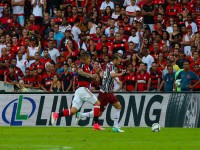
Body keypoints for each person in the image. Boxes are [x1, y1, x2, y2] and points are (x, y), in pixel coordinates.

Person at [51, 52, 103, 130]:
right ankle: (96, 124)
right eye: (89, 59)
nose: (90, 60)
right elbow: (79, 72)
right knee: (97, 103)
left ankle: (56, 114)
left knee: (73, 110)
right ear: (85, 59)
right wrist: (90, 75)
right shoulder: (82, 64)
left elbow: (90, 78)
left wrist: (96, 75)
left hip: (79, 91)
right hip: (82, 89)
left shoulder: (89, 68)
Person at [76, 53, 126, 133]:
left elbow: (108, 75)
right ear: (115, 60)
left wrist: (116, 79)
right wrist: (120, 74)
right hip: (105, 93)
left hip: (109, 92)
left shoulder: (109, 65)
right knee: (98, 113)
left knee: (119, 107)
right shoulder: (111, 66)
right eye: (119, 60)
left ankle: (115, 127)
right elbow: (111, 74)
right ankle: (81, 115)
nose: (120, 62)